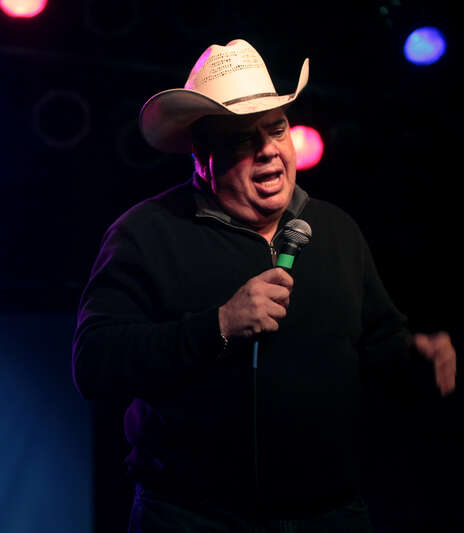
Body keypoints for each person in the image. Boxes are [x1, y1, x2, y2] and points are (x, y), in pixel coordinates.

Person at [71, 39, 456, 532]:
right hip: (191, 517)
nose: (269, 150)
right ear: (202, 154)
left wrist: (415, 355)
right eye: (242, 139)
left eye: (276, 129)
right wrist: (218, 326)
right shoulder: (145, 234)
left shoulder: (337, 230)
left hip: (329, 515)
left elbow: (379, 344)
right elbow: (95, 365)